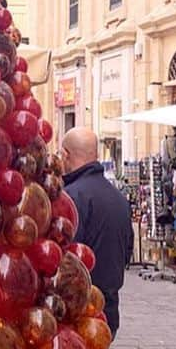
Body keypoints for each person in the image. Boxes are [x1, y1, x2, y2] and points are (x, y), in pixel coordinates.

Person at [61, 128, 133, 338]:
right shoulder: (118, 198)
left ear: (66, 155)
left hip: (77, 309)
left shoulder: (71, 198)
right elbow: (127, 250)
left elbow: (65, 257)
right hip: (109, 310)